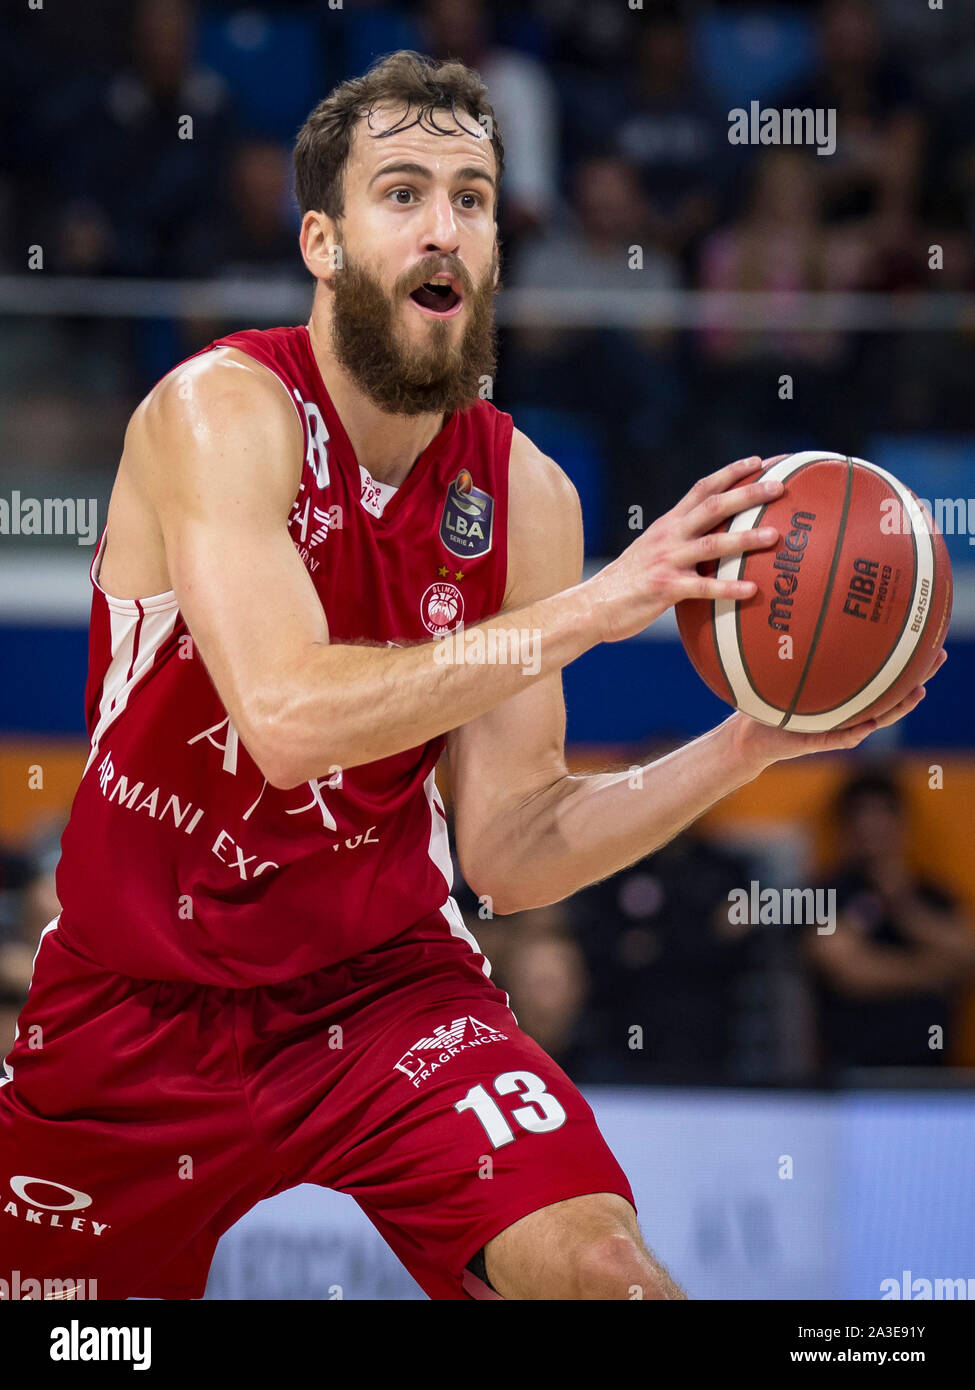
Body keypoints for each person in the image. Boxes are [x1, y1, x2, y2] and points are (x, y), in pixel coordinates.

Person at [0, 51, 943, 1303]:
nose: (445, 225)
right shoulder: (220, 414)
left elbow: (509, 849)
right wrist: (593, 611)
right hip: (135, 1003)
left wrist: (749, 745)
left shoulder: (527, 496)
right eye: (402, 193)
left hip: (384, 987)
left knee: (607, 1269)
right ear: (323, 244)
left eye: (474, 196)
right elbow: (285, 719)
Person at [804, 769, 975, 1071]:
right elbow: (846, 969)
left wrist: (903, 905)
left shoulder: (932, 894)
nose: (873, 828)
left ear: (902, 823)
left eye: (883, 815)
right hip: (851, 1074)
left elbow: (967, 954)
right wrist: (934, 972)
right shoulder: (828, 893)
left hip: (934, 1073)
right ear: (845, 826)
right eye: (862, 816)